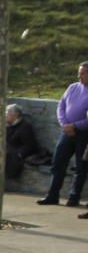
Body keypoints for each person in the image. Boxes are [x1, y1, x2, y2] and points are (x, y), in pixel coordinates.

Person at [39, 62, 88, 207]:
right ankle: (52, 195)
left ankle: (74, 197)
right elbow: (61, 106)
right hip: (67, 131)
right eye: (79, 73)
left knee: (81, 166)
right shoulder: (73, 87)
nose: (80, 76)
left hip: (84, 133)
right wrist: (65, 124)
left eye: (83, 73)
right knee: (58, 162)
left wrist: (76, 125)